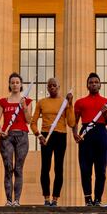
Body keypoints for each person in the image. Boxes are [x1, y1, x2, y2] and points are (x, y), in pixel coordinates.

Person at [30, 77, 74, 206]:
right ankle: (46, 198)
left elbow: (71, 123)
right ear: (47, 88)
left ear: (59, 87)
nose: (52, 88)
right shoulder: (41, 102)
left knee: (59, 168)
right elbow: (33, 123)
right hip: (45, 136)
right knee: (45, 168)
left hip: (61, 135)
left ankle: (55, 199)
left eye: (55, 85)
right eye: (50, 86)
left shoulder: (65, 102)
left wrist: (70, 104)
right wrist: (38, 135)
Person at [73, 72, 107, 206]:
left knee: (100, 169)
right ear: (87, 85)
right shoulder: (80, 102)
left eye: (96, 82)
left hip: (101, 133)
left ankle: (98, 199)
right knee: (85, 168)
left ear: (100, 85)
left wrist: (106, 113)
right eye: (91, 82)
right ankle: (87, 199)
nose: (94, 84)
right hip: (86, 133)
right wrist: (75, 134)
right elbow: (74, 121)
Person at [0, 72, 32, 206]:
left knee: (18, 168)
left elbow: (29, 121)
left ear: (21, 85)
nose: (15, 84)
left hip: (22, 136)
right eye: (12, 82)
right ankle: (8, 200)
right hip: (7, 136)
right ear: (9, 85)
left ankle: (17, 200)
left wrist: (25, 108)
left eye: (17, 82)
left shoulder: (27, 101)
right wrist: (0, 131)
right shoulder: (3, 102)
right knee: (8, 167)